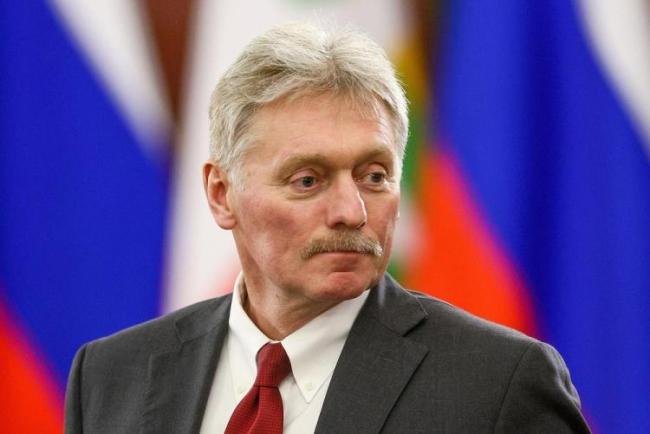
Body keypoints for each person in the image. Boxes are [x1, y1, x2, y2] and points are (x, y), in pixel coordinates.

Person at [64, 23, 591, 433]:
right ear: (222, 195)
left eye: (374, 176)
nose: (352, 211)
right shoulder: (111, 375)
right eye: (308, 180)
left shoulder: (498, 383)